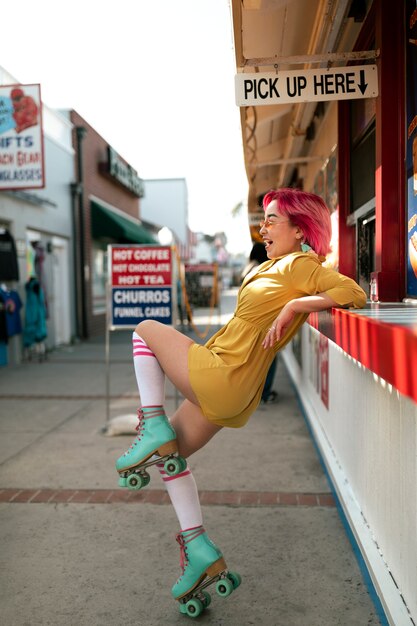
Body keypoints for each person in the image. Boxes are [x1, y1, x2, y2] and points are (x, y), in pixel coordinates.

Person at [115, 188, 367, 614]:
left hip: (224, 375)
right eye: (263, 220)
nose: (263, 228)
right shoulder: (278, 265)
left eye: (272, 220)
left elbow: (354, 294)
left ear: (300, 228)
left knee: (144, 331)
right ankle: (199, 551)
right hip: (233, 388)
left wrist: (296, 306)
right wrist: (291, 304)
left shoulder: (301, 264)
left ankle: (151, 421)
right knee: (169, 456)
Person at [241, 242, 279, 403]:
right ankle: (264, 394)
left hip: (248, 322)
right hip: (261, 323)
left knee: (255, 360)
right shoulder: (262, 269)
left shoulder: (249, 268)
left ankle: (253, 394)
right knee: (268, 358)